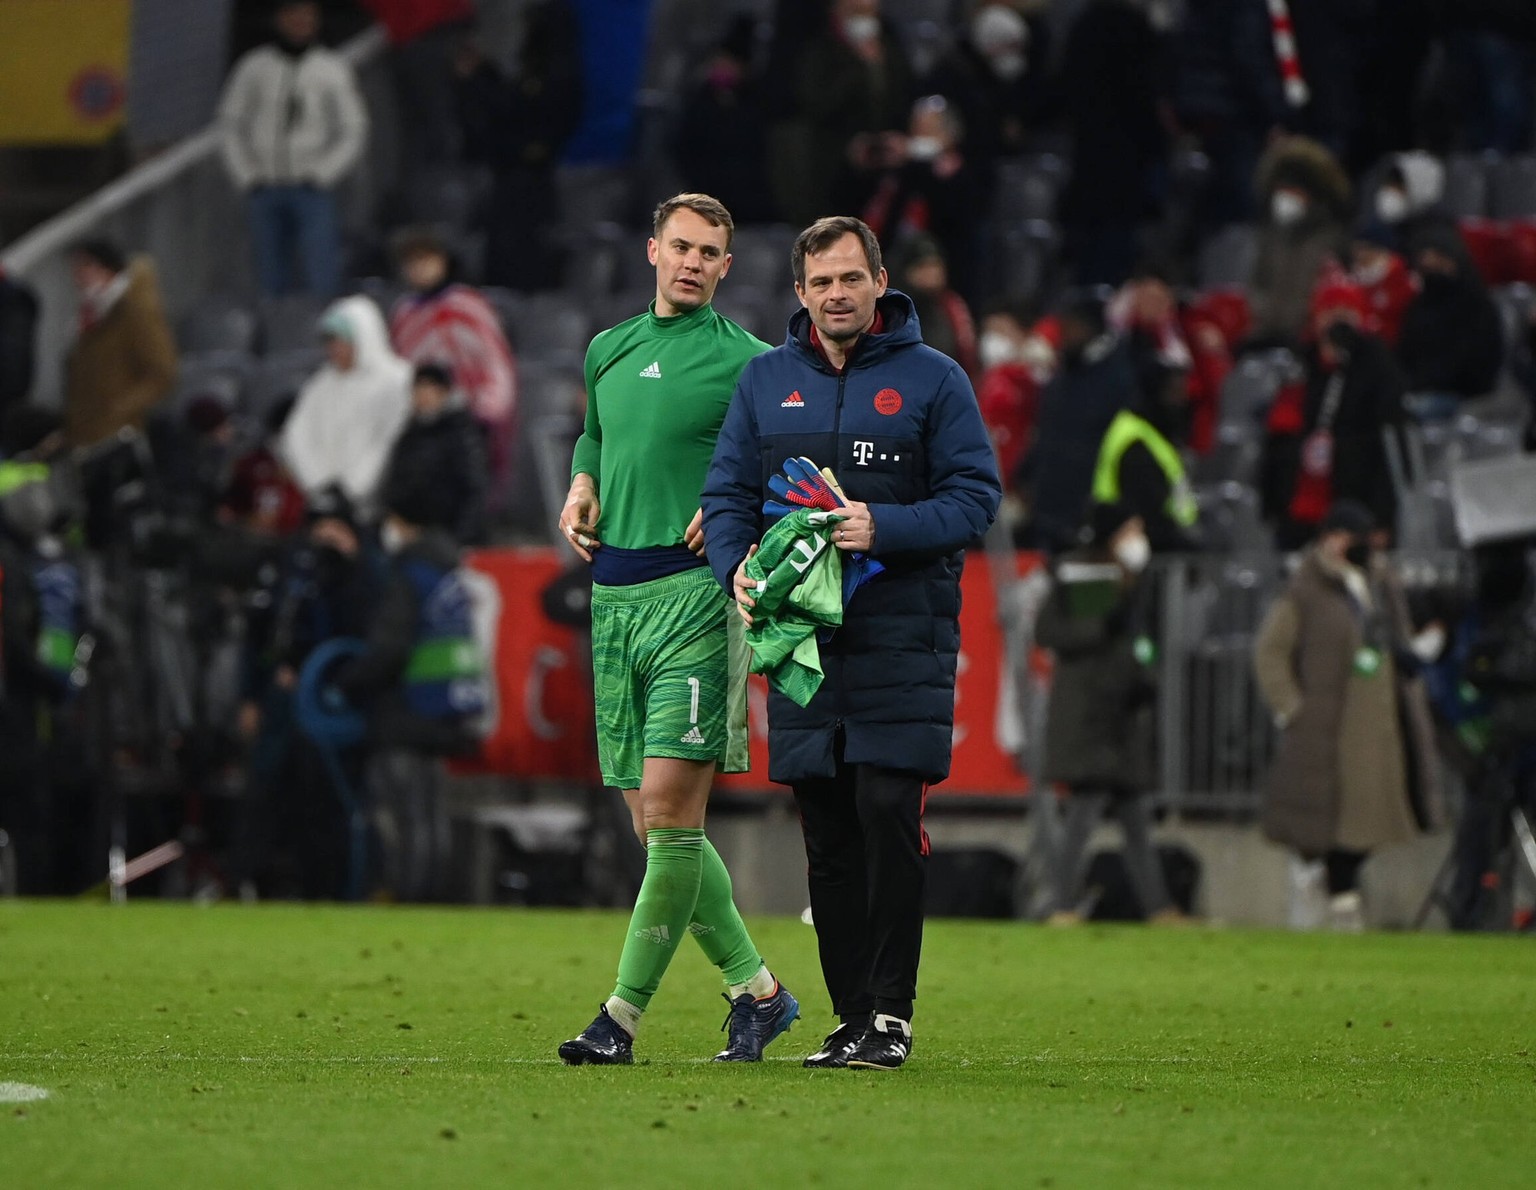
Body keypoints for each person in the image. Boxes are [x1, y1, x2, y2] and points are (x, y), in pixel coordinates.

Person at [701, 215, 1001, 1070]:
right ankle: (850, 1017)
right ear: (799, 294)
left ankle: (892, 1016)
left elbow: (976, 497)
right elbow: (726, 494)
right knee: (826, 832)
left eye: (849, 279)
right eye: (820, 282)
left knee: (885, 812)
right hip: (802, 645)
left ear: (879, 282)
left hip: (903, 633)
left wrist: (885, 526)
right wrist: (737, 573)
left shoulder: (934, 380)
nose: (836, 295)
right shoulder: (765, 382)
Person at [555, 194, 798, 1066]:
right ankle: (758, 994)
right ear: (654, 250)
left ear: (727, 269)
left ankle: (618, 1019)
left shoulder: (753, 364)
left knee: (666, 815)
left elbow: (794, 467)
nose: (693, 263)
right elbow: (594, 438)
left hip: (697, 597)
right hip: (614, 601)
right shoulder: (607, 349)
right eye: (682, 247)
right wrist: (581, 485)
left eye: (711, 254)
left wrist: (738, 503)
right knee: (659, 831)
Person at [1252, 501, 1428, 931]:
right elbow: (1270, 652)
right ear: (1332, 537)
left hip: (1378, 724)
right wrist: (1292, 707)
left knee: (1372, 821)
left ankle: (1336, 891)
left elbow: (1392, 637)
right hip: (1329, 726)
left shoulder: (1380, 585)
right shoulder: (1305, 591)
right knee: (1328, 821)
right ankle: (1334, 899)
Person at [1034, 503, 1178, 924]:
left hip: (1121, 712)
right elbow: (1054, 633)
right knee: (1085, 813)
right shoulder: (1085, 574)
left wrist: (1142, 679)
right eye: (1132, 528)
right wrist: (1101, 624)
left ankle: (1157, 907)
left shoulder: (1131, 579)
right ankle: (1060, 904)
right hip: (1092, 715)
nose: (1139, 537)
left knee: (1132, 817)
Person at [218, 0, 368, 298]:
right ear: (279, 19)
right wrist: (246, 175)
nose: (300, 22)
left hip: (311, 188)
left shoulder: (332, 68)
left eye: (307, 16)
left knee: (320, 274)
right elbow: (229, 124)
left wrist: (324, 173)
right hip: (264, 186)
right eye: (293, 15)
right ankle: (277, 335)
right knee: (268, 276)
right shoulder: (254, 66)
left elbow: (354, 128)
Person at [1259, 281, 1406, 551]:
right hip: (1298, 508)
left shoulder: (1377, 367)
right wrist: (1272, 504)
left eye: (1346, 310)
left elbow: (1390, 447)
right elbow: (1278, 440)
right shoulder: (1299, 369)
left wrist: (1382, 518)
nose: (1338, 318)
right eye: (1331, 309)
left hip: (1356, 505)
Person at [453, 1, 582, 291]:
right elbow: (503, 112)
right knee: (501, 253)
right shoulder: (530, 70)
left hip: (532, 180)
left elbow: (524, 113)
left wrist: (481, 79)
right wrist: (480, 76)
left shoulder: (560, 74)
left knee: (527, 255)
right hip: (507, 177)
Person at [388, 228, 517, 504]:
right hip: (423, 419)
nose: (418, 269)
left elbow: (494, 362)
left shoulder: (469, 306)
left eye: (425, 259)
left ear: (442, 260)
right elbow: (400, 367)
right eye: (411, 263)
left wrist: (488, 410)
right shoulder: (404, 313)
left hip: (470, 419)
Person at [1023, 292, 1137, 553]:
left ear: (1092, 328)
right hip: (1049, 503)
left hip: (1089, 507)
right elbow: (1046, 432)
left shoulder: (1118, 379)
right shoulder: (1062, 377)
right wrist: (1027, 475)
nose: (1065, 332)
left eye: (1073, 324)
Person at [280, 297, 412, 518]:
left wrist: (352, 488)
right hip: (322, 502)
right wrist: (318, 483)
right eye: (329, 341)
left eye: (340, 341)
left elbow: (388, 440)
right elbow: (297, 434)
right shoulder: (322, 383)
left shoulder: (397, 380)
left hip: (376, 505)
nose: (333, 348)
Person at [62, 239, 177, 448]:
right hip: (88, 436)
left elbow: (162, 373)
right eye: (75, 268)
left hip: (121, 435)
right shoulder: (89, 316)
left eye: (86, 266)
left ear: (107, 267)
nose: (78, 276)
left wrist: (118, 409)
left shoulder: (135, 310)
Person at [1248, 136, 1352, 348]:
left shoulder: (1331, 240)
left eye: (1295, 192)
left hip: (1307, 346)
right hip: (1260, 339)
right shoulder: (1268, 234)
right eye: (1282, 190)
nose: (1286, 198)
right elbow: (1254, 284)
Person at [1395, 226, 1504, 418]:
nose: (1431, 267)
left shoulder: (1476, 305)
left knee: (1411, 413)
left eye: (1438, 259)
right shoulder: (1420, 306)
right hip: (1417, 391)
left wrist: (1429, 383)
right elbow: (1405, 352)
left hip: (1461, 395)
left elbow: (1476, 362)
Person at [381, 362, 490, 546]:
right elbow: (395, 482)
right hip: (407, 535)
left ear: (444, 392)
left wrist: (457, 539)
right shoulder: (408, 433)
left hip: (445, 540)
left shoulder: (461, 434)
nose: (423, 396)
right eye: (418, 389)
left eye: (430, 388)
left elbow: (474, 491)